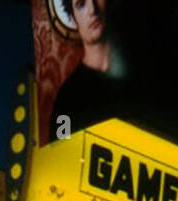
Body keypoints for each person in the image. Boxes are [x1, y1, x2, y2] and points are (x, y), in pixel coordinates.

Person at [49, 0, 129, 142]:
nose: (93, 10)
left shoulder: (139, 76)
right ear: (73, 19)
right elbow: (61, 149)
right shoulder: (68, 96)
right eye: (81, 4)